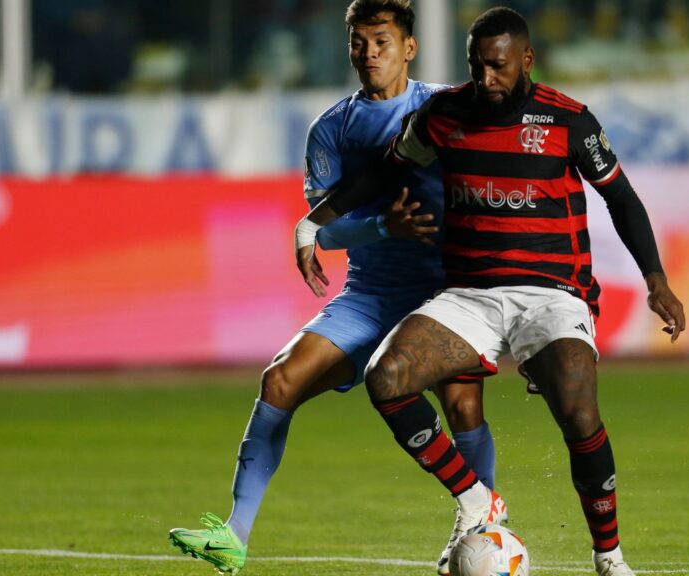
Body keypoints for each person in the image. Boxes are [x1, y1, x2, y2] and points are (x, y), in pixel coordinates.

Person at [296, 7, 685, 575]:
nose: (486, 78)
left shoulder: (569, 121)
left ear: (527, 60)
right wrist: (314, 222)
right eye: (476, 65)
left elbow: (620, 198)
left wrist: (656, 280)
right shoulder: (443, 115)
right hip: (471, 294)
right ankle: (477, 499)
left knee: (579, 412)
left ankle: (609, 558)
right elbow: (383, 171)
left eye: (498, 66)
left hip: (552, 294)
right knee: (387, 378)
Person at [167, 2, 502, 574]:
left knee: (461, 403)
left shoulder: (445, 108)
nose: (369, 53)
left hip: (443, 291)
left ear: (410, 47)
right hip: (370, 294)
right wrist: (382, 228)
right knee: (280, 380)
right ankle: (234, 534)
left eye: (382, 41)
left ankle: (484, 523)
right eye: (358, 42)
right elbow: (325, 227)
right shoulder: (331, 128)